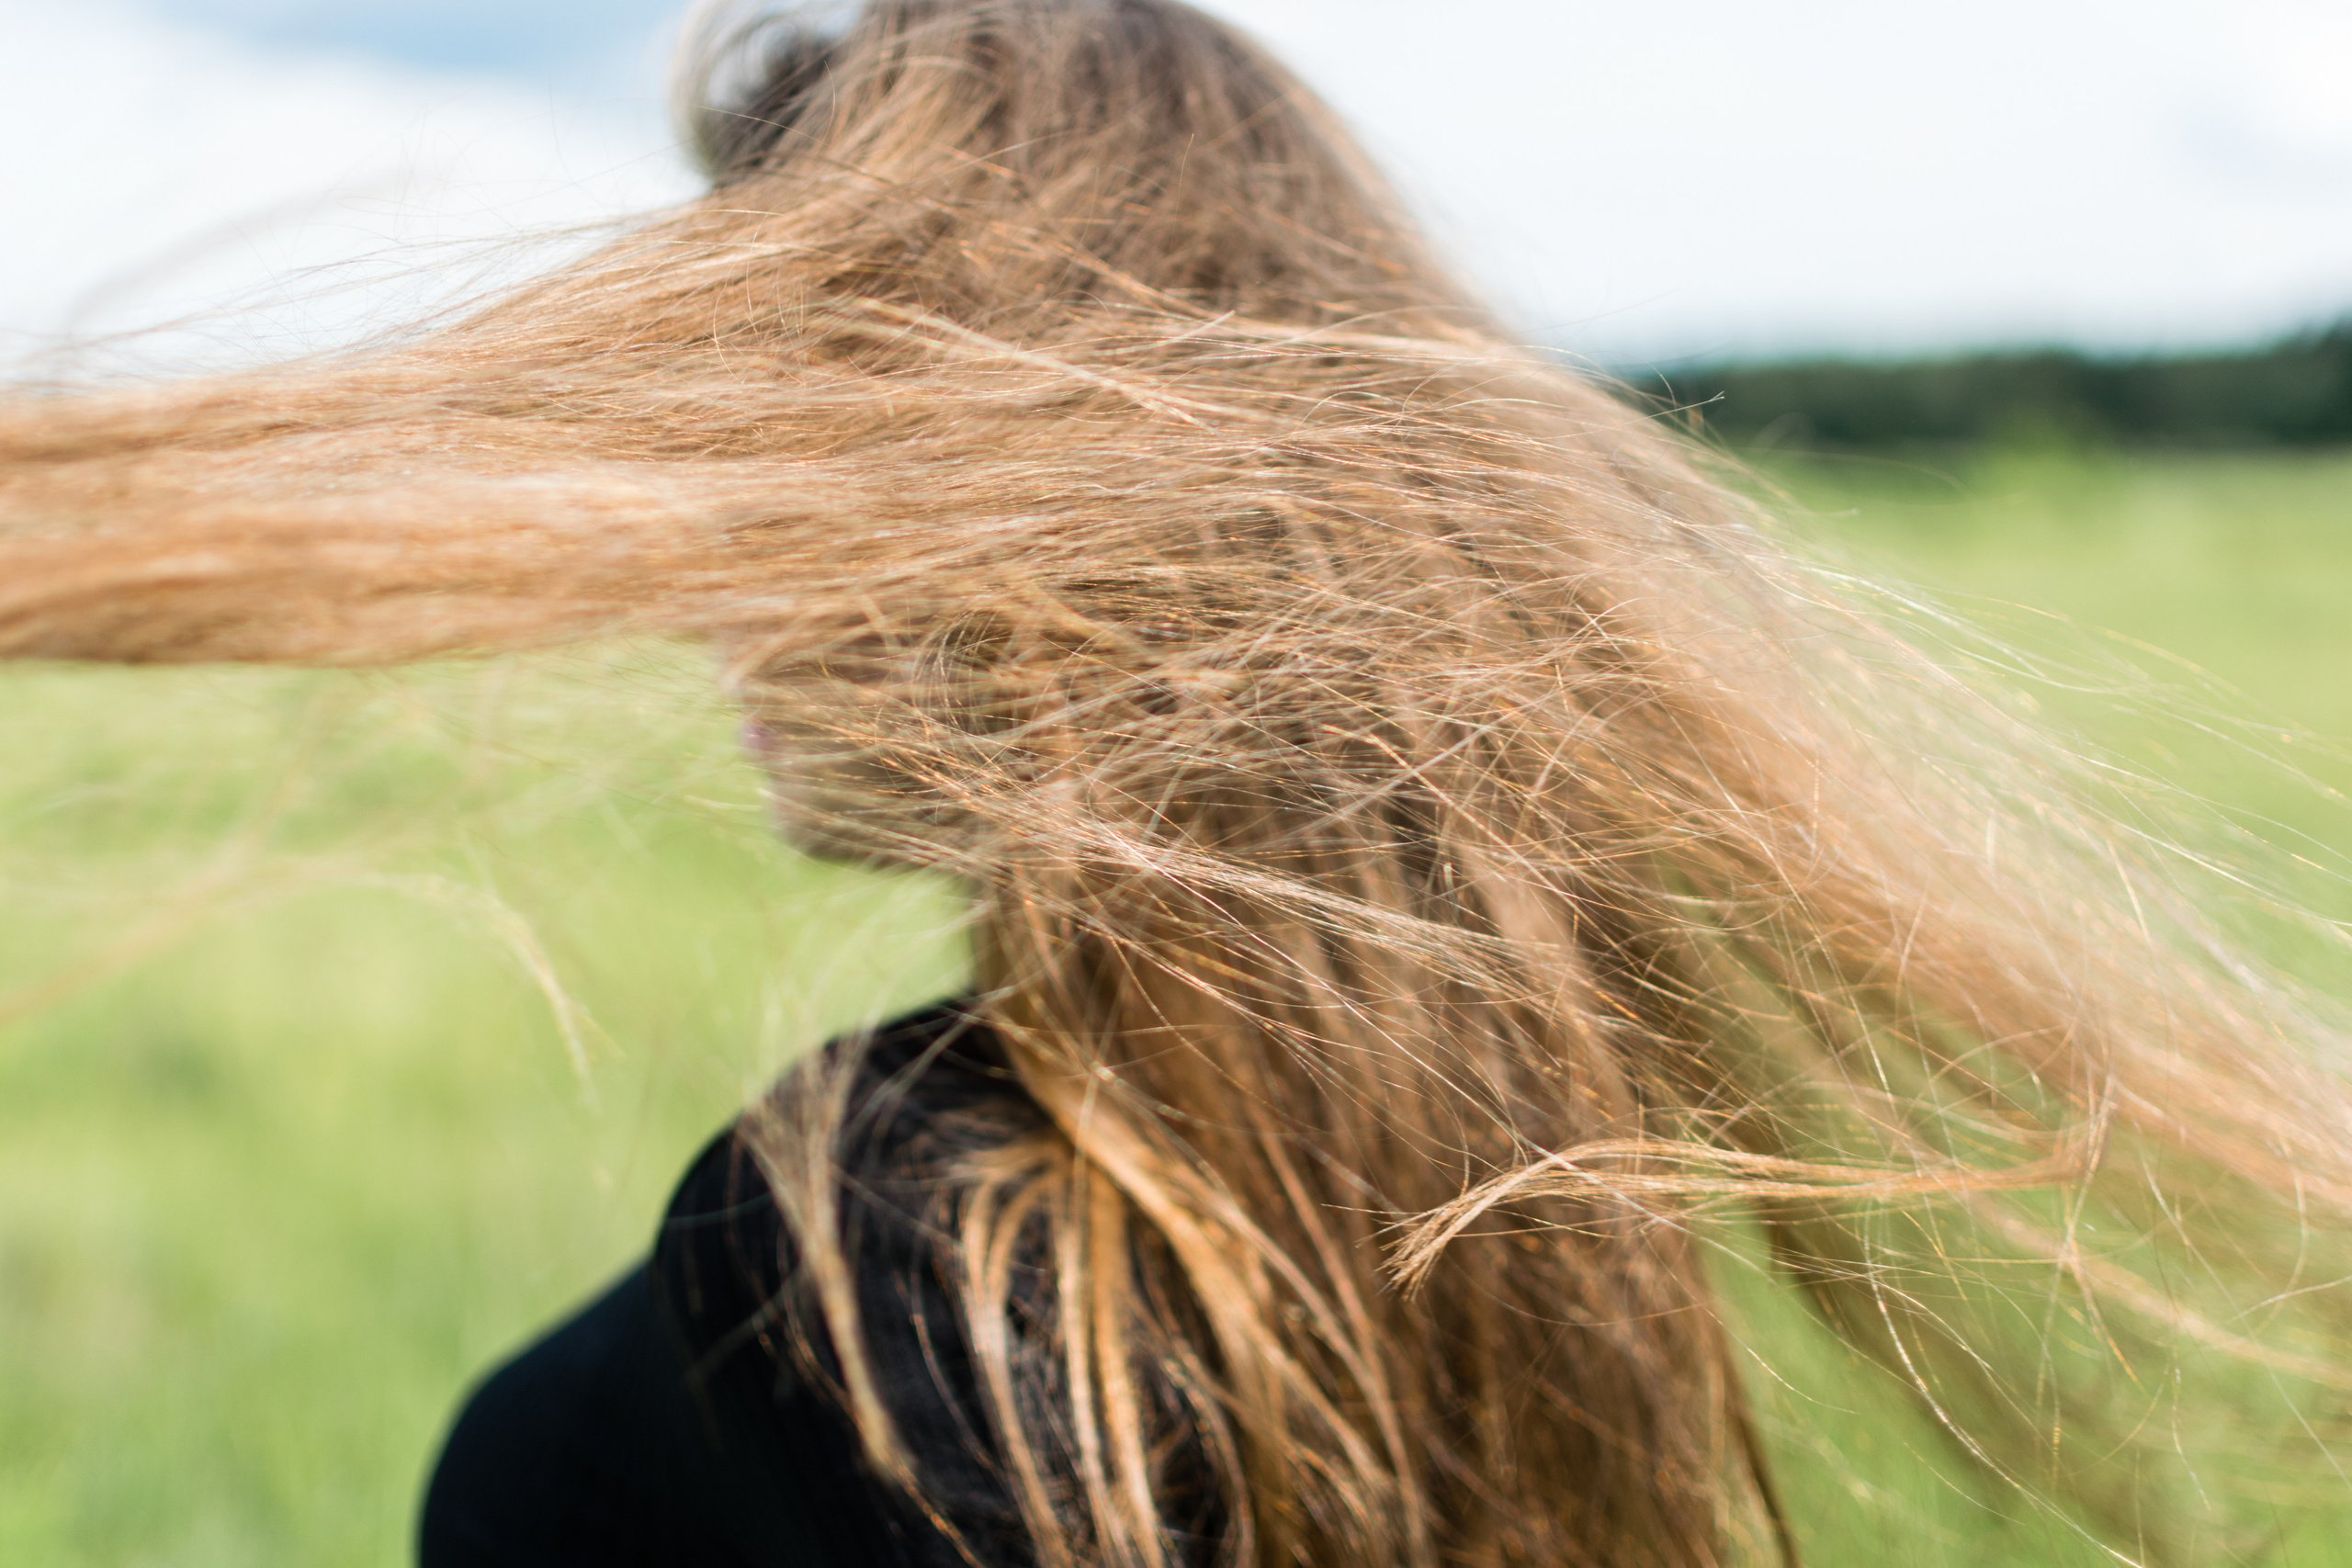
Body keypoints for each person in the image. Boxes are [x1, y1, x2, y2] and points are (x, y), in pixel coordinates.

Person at [5, 1, 2350, 1562]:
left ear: (1039, 504)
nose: (714, 553)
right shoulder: (1500, 1172)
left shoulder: (884, 1239)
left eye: (788, 428)